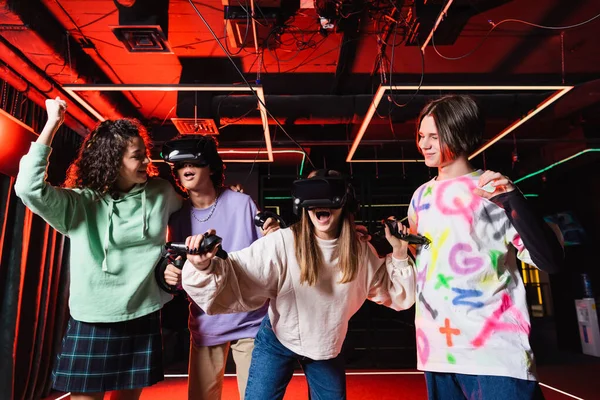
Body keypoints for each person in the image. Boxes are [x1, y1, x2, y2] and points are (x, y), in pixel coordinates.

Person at [180, 169, 417, 399]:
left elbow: (395, 294)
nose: (319, 202)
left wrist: (399, 251)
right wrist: (203, 266)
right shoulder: (282, 243)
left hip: (325, 343)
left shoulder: (360, 251)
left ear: (344, 202)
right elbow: (238, 270)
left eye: (329, 194)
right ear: (302, 203)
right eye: (312, 194)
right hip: (277, 337)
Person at [14, 97, 182, 400]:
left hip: (142, 312)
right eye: (137, 157)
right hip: (93, 317)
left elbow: (191, 219)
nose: (147, 162)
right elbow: (27, 188)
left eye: (146, 155)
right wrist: (52, 123)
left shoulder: (161, 192)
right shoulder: (80, 203)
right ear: (113, 161)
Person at [408, 94, 563, 400]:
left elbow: (550, 261)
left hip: (495, 352)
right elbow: (422, 268)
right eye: (421, 136)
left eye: (434, 137)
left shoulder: (492, 189)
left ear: (460, 136)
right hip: (437, 350)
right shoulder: (420, 196)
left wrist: (514, 200)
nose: (424, 144)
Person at [161, 136, 278, 400]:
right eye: (180, 166)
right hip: (206, 322)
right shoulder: (177, 217)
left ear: (211, 167)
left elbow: (266, 255)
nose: (186, 169)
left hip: (250, 320)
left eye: (193, 163)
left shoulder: (242, 203)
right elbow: (183, 272)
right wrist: (173, 276)